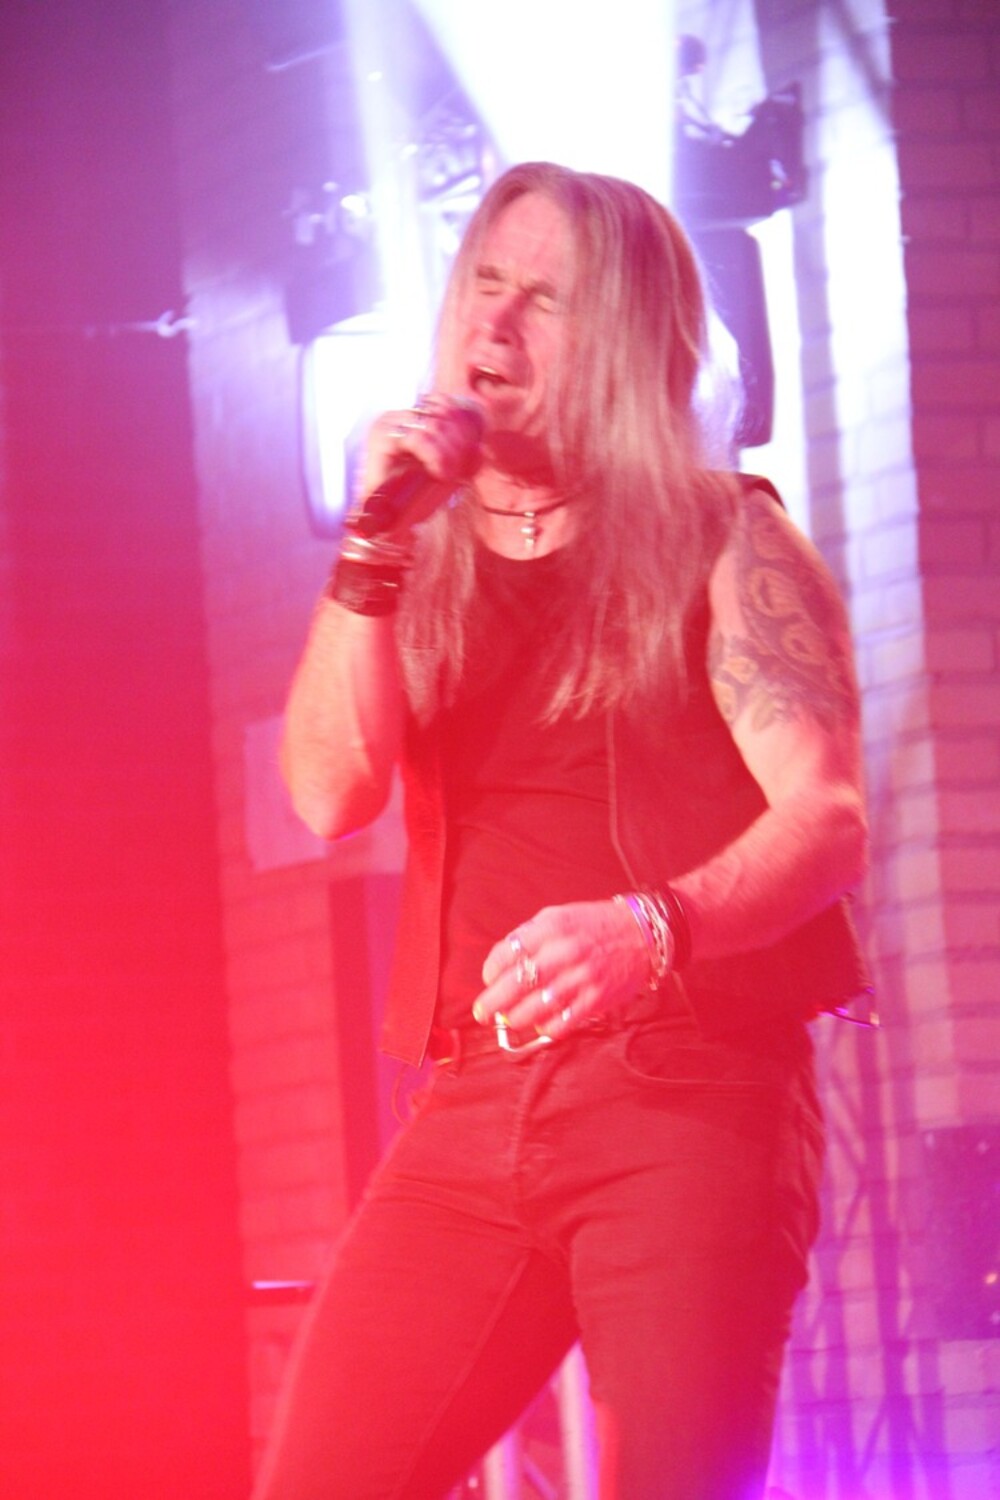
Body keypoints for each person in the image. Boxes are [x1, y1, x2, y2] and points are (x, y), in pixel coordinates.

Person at [259, 161, 871, 1500]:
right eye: (484, 283)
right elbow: (327, 793)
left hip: (687, 1091)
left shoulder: (724, 536)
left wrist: (651, 928)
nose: (493, 323)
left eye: (544, 299)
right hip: (474, 1105)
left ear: (627, 341)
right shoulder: (417, 559)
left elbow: (826, 818)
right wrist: (370, 540)